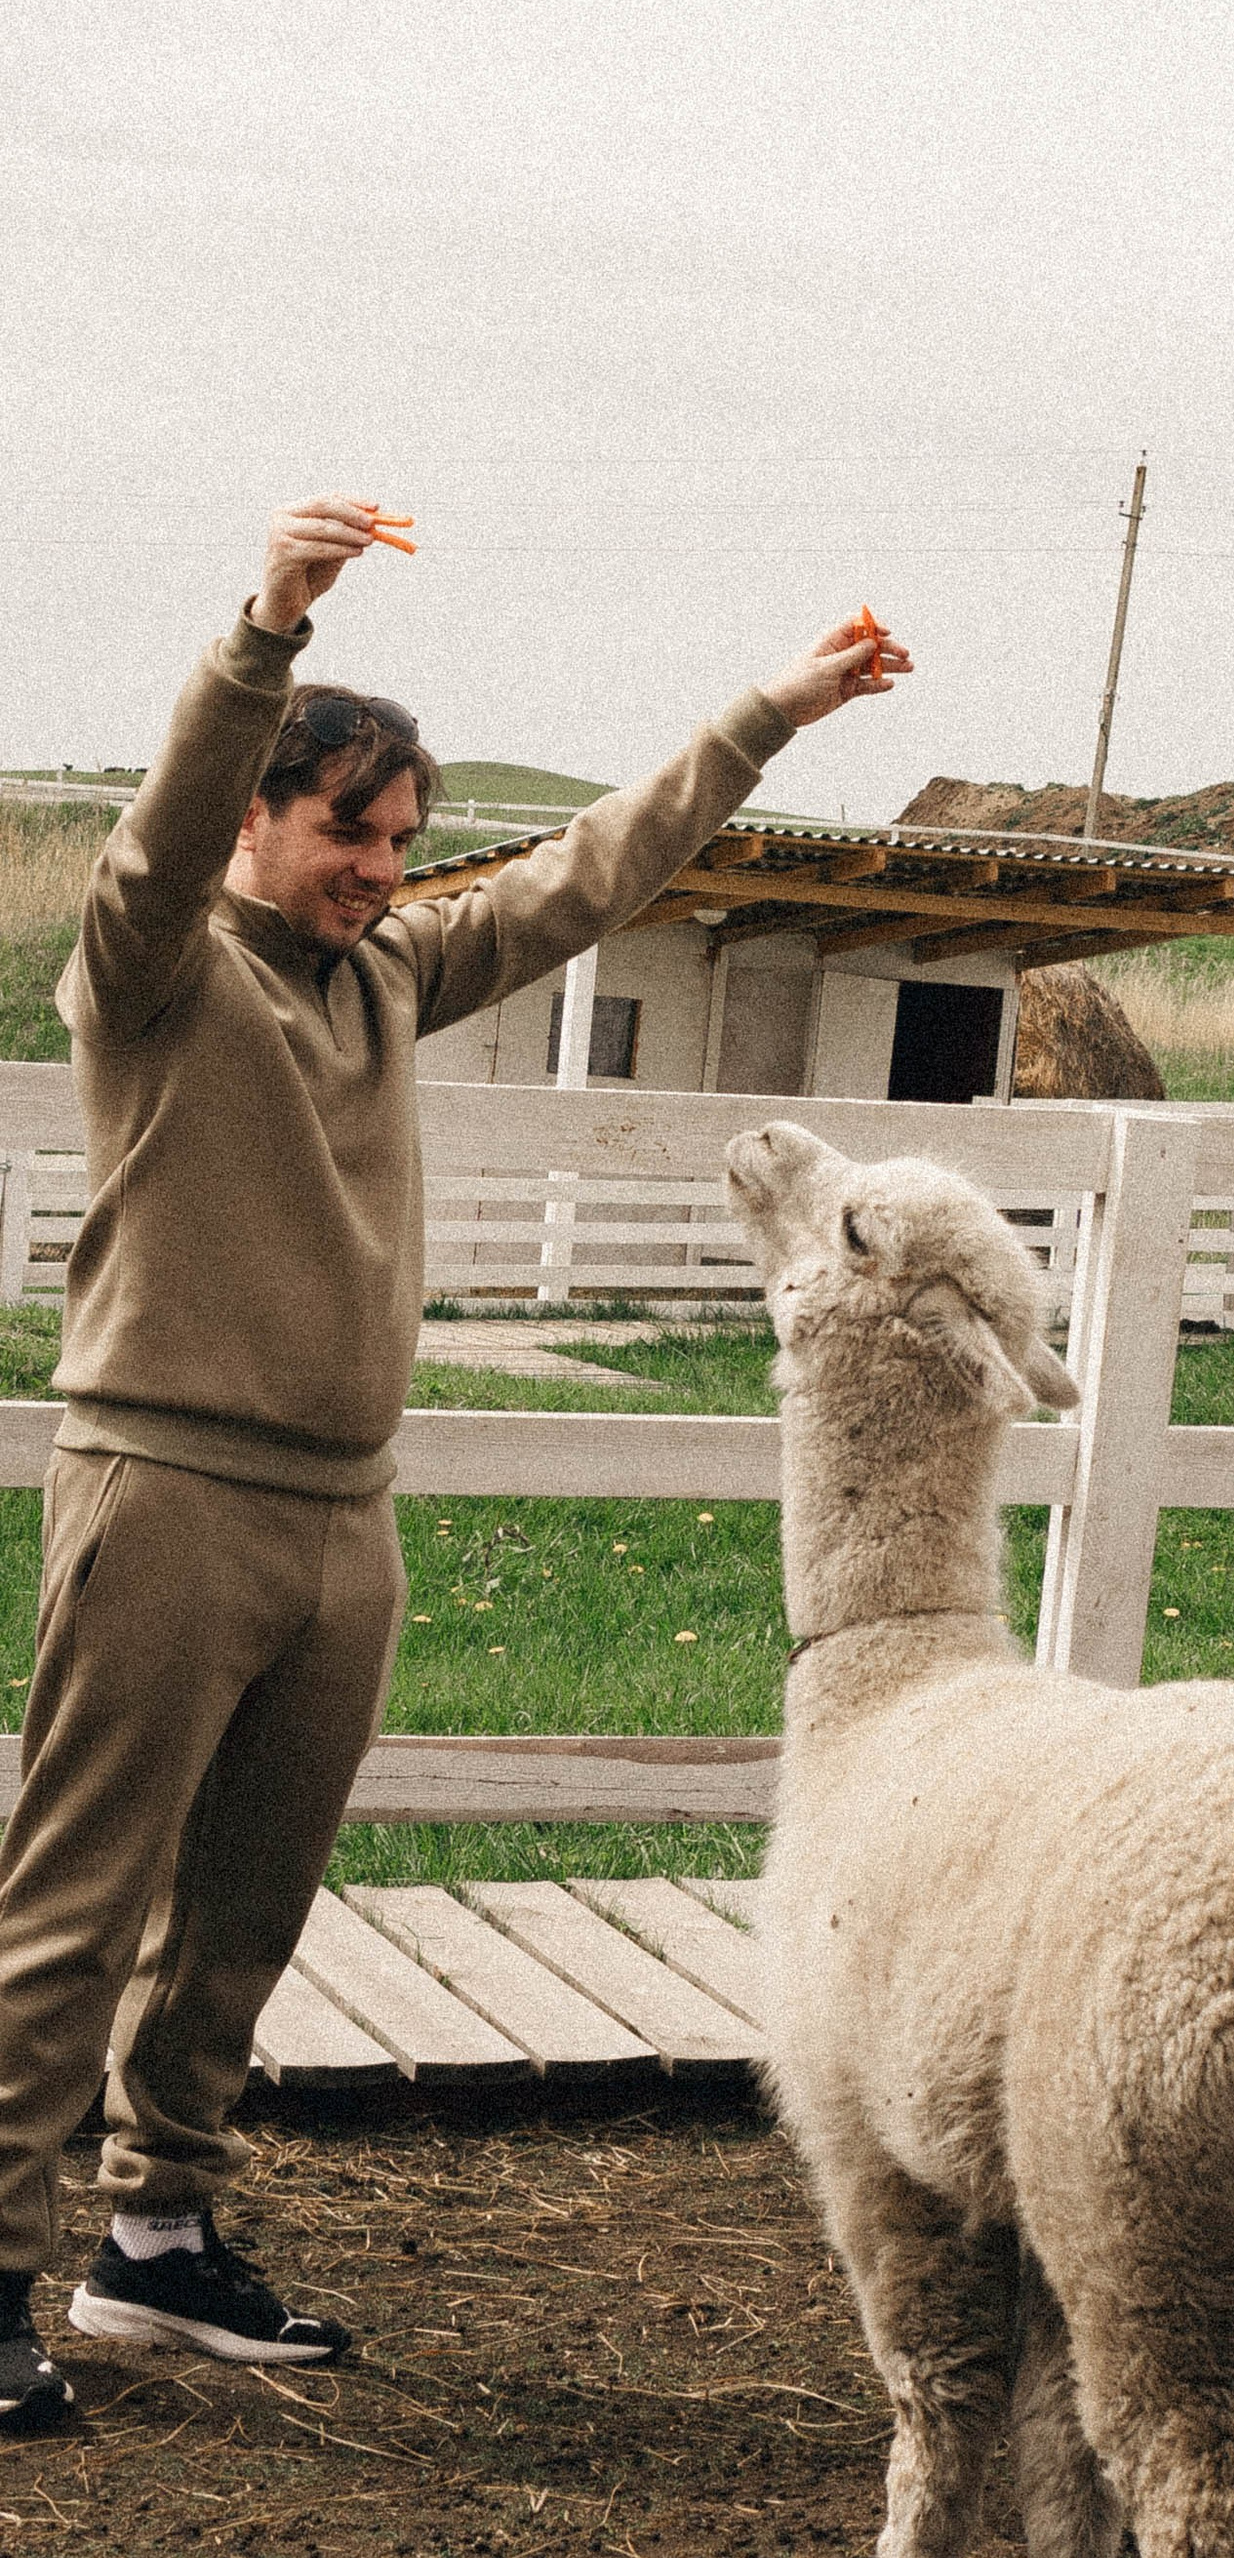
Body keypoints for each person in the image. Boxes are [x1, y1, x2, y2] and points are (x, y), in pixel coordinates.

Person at [0, 496, 912, 2429]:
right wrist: (264, 626)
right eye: (348, 830)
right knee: (73, 1908)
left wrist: (766, 716)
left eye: (403, 841)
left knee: (246, 1914)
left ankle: (154, 2246)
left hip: (346, 1517)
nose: (379, 870)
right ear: (262, 817)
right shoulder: (156, 974)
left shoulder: (393, 979)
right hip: (163, 1498)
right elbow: (153, 844)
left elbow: (589, 875)